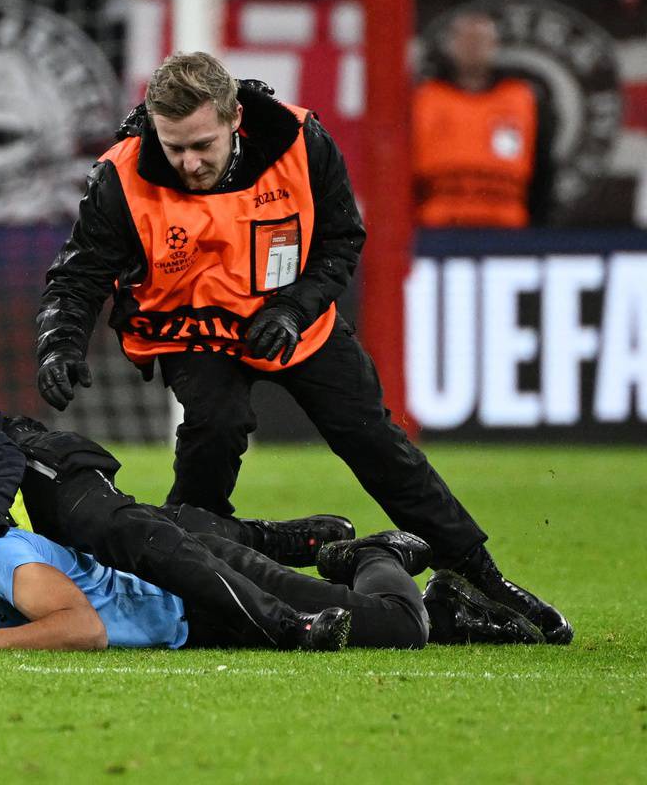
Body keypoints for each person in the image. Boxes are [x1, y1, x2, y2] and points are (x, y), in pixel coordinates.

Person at [36, 51, 573, 644]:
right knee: (215, 425)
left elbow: (342, 239)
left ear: (235, 117)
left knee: (372, 438)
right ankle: (187, 566)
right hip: (191, 328)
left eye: (202, 145)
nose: (189, 163)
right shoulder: (123, 173)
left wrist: (294, 309)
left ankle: (477, 576)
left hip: (294, 320)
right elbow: (79, 275)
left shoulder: (301, 141)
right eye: (174, 147)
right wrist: (59, 342)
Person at [0, 369, 369, 650]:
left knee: (117, 528)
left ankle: (282, 615)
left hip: (23, 467)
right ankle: (306, 550)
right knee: (146, 541)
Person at [0, 510, 434, 652]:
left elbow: (84, 628)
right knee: (410, 625)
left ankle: (371, 554)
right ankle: (459, 608)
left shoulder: (0, 561)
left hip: (211, 588)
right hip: (192, 626)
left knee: (400, 627)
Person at [413, 9, 553, 227]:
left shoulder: (521, 98)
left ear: (494, 45)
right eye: (466, 39)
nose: (473, 47)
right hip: (437, 227)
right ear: (451, 45)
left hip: (506, 228)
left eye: (481, 40)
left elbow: (543, 169)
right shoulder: (425, 99)